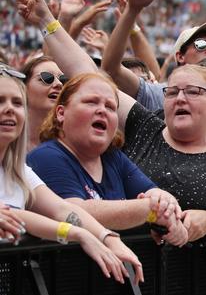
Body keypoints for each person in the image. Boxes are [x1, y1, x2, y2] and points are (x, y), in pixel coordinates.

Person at [17, 0, 206, 257]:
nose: (180, 98)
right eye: (172, 92)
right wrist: (48, 21)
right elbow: (87, 75)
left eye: (192, 92)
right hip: (130, 284)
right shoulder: (146, 128)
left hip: (200, 291)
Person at [0, 64, 142, 284]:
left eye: (17, 103)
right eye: (0, 101)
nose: (9, 109)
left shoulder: (19, 170)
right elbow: (19, 216)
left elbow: (61, 208)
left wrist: (106, 238)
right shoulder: (46, 156)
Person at [27, 72, 188, 245]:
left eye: (111, 107)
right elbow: (73, 211)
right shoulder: (45, 157)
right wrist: (150, 210)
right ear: (61, 113)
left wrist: (168, 208)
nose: (102, 110)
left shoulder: (113, 157)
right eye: (91, 102)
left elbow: (154, 193)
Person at [19, 55, 67, 151]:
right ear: (23, 87)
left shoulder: (71, 142)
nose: (59, 84)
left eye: (62, 79)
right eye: (47, 78)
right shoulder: (6, 140)